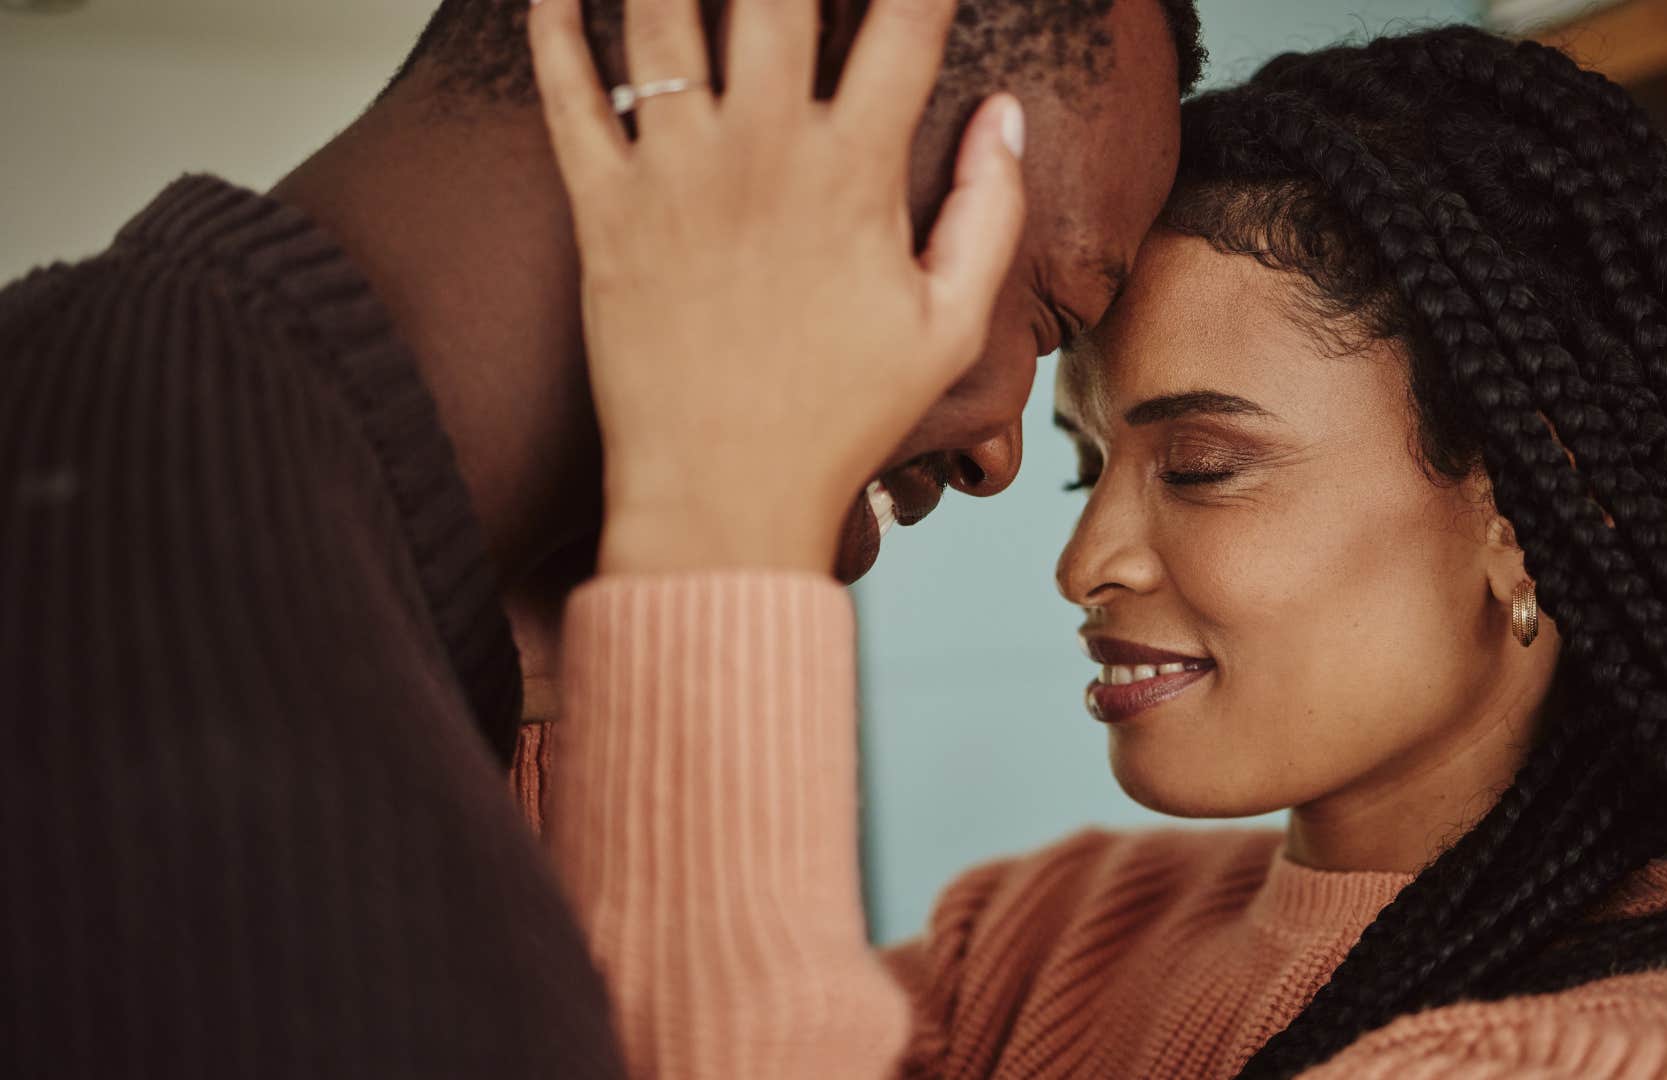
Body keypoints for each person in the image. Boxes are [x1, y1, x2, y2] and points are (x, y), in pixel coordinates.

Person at [529, 7, 1667, 1077]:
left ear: (1532, 511)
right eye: (1087, 465)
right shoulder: (1040, 938)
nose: (1083, 565)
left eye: (1201, 468)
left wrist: (716, 508)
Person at [0, 0, 1202, 1075]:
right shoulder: (150, 634)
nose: (1002, 452)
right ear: (768, 74)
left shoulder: (279, 531)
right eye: (1047, 309)